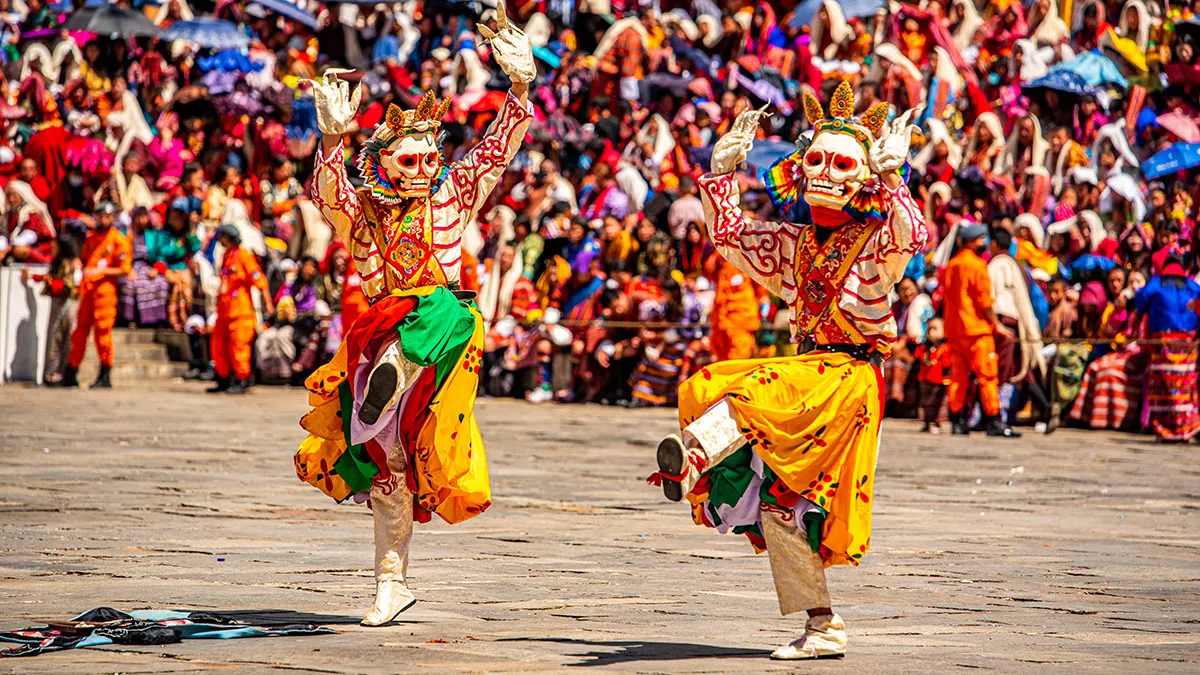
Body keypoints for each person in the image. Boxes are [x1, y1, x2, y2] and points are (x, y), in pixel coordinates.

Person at [649, 84, 927, 660]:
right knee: (779, 503)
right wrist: (720, 175)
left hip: (849, 378)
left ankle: (697, 456)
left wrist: (894, 178)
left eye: (841, 164)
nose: (824, 172)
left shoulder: (874, 245)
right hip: (807, 373)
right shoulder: (794, 245)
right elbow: (730, 236)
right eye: (817, 159)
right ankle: (822, 626)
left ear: (863, 178)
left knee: (752, 388)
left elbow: (912, 237)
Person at [294, 4, 535, 627]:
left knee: (437, 305)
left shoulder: (453, 195)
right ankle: (390, 583)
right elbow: (328, 194)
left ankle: (395, 373)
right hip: (379, 335)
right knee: (388, 463)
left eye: (431, 159)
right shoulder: (364, 213)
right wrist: (331, 139)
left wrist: (519, 87)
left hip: (445, 332)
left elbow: (495, 153)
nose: (425, 170)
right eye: (410, 161)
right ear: (384, 162)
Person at [943, 222, 1020, 437]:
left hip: (955, 330)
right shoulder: (977, 265)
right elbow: (984, 302)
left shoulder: (952, 264)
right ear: (971, 242)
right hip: (977, 330)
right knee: (987, 376)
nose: (984, 243)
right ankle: (994, 420)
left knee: (958, 378)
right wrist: (997, 325)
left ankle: (957, 421)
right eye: (981, 239)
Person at [60, 202, 131, 389]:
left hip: (105, 293)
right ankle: (71, 372)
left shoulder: (118, 239)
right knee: (79, 333)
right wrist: (78, 262)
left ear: (112, 218)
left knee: (102, 334)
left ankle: (105, 373)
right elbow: (85, 259)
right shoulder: (91, 237)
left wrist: (103, 272)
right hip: (88, 292)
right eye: (100, 216)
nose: (103, 219)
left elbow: (125, 269)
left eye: (107, 216)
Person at [1133, 259, 1200, 442]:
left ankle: (1165, 429)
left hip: (1163, 341)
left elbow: (1140, 302)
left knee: (1163, 384)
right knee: (1185, 383)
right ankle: (1186, 428)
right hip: (1188, 342)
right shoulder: (1193, 287)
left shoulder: (1155, 283)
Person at [208, 224, 272, 395]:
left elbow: (259, 279)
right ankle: (223, 378)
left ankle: (242, 379)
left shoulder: (244, 255)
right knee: (218, 345)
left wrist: (268, 303)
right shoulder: (226, 256)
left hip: (241, 312)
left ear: (227, 238)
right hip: (224, 311)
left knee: (239, 347)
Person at [914, 318, 952, 433]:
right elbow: (917, 356)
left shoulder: (945, 347)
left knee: (938, 403)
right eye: (929, 329)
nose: (931, 332)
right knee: (925, 402)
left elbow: (947, 363)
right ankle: (926, 423)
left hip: (939, 380)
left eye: (935, 329)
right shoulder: (924, 347)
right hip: (925, 379)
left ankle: (936, 423)